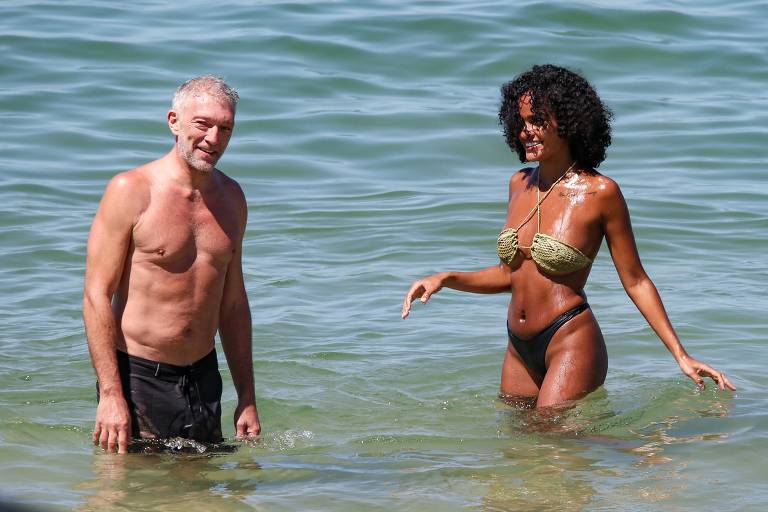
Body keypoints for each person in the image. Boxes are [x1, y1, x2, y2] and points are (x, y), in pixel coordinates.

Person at [402, 64, 735, 409]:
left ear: (569, 122)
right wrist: (446, 278)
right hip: (519, 346)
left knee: (554, 439)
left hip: (570, 339)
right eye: (522, 122)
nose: (526, 132)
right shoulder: (519, 183)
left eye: (538, 121)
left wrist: (681, 354)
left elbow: (635, 281)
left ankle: (643, 453)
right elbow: (509, 275)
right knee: (519, 448)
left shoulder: (601, 192)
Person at [83, 75, 260, 453]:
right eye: (203, 124)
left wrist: (246, 396)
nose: (214, 138)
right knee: (128, 493)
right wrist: (111, 395)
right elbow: (96, 294)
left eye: (225, 128)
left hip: (203, 376)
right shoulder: (130, 190)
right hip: (139, 376)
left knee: (202, 496)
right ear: (174, 121)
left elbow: (233, 304)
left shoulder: (232, 199)